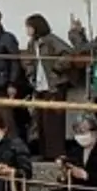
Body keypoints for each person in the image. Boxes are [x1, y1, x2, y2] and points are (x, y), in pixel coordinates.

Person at [21, 14, 68, 143]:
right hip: (39, 84)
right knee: (40, 119)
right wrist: (30, 73)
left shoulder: (51, 40)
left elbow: (67, 54)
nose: (27, 30)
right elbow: (27, 61)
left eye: (29, 27)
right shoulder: (32, 44)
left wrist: (56, 69)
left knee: (53, 121)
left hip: (54, 84)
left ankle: (55, 152)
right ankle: (43, 151)